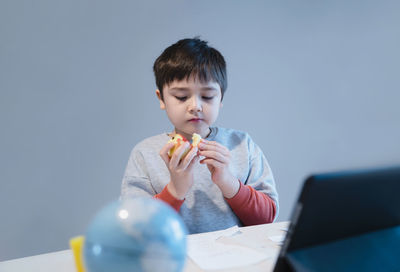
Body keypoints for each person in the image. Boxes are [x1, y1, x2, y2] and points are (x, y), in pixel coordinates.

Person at [121, 37, 278, 234]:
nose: (195, 106)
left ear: (221, 98)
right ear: (161, 98)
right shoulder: (145, 153)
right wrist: (175, 191)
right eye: (181, 97)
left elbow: (267, 219)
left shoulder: (242, 145)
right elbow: (135, 230)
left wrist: (228, 182)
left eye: (207, 96)